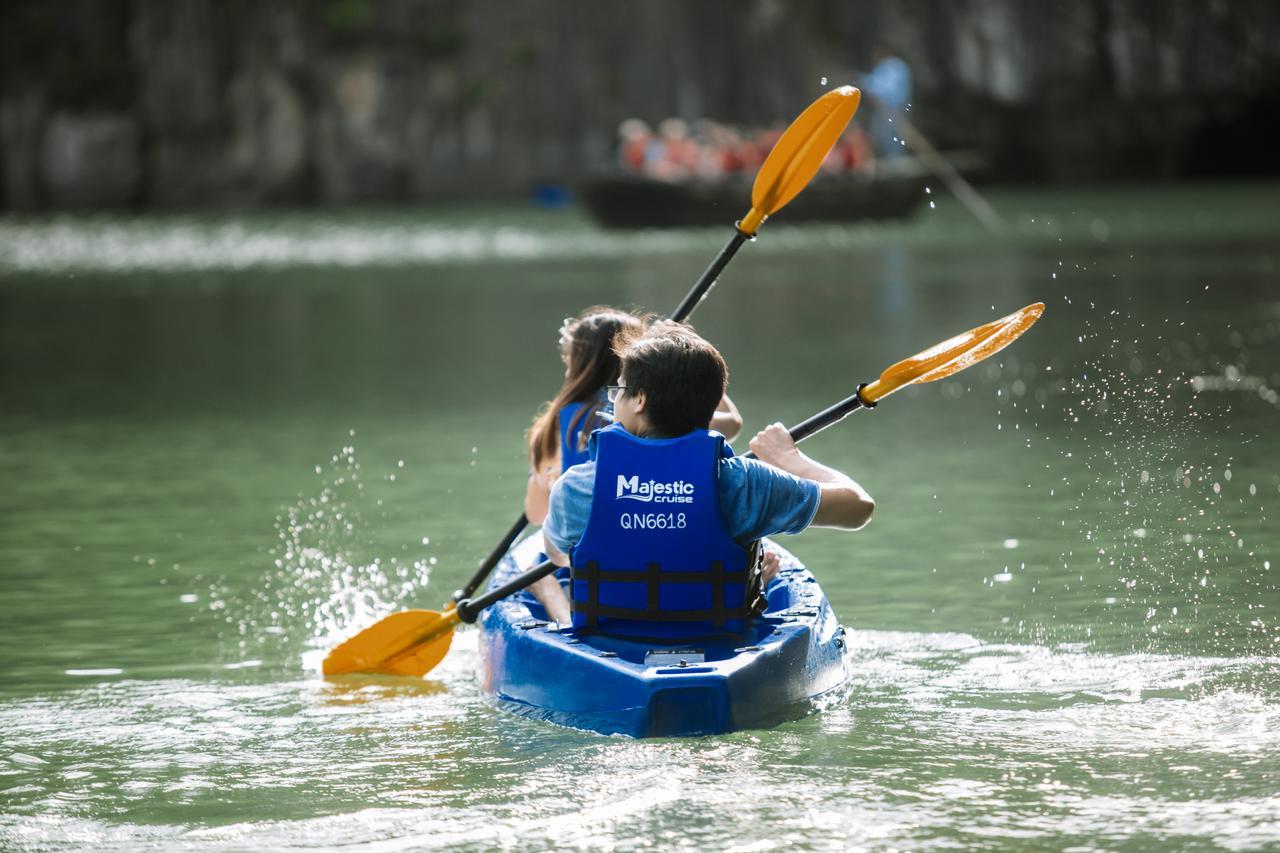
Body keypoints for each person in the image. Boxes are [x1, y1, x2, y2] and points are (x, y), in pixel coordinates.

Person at [533, 320, 874, 630]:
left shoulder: (577, 486)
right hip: (718, 640)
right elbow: (859, 507)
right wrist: (790, 458)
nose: (613, 403)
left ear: (640, 400)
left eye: (619, 391)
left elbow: (558, 554)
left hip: (612, 644)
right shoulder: (746, 482)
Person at [524, 307, 741, 525]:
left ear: (576, 365)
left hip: (580, 546)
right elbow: (732, 424)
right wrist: (697, 367)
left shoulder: (551, 426)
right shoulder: (652, 413)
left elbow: (537, 514)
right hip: (650, 525)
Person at [861, 43, 912, 160]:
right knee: (884, 136)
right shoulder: (896, 68)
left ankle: (895, 160)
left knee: (894, 136)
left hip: (893, 108)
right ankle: (891, 159)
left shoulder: (894, 68)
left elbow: (883, 88)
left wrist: (867, 86)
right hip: (887, 109)